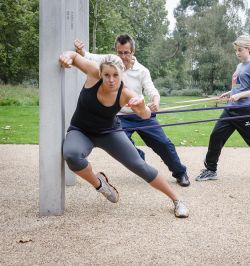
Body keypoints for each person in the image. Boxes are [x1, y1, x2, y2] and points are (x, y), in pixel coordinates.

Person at [59, 51, 189, 218]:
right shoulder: (93, 73)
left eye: (115, 75)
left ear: (121, 74)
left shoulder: (126, 93)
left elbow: (145, 115)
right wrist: (67, 56)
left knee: (139, 165)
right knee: (71, 155)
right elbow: (75, 57)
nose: (111, 80)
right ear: (101, 73)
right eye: (106, 75)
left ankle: (177, 200)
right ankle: (100, 184)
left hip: (109, 132)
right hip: (81, 130)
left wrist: (141, 106)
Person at [74, 34, 190, 187]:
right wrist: (81, 51)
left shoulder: (142, 71)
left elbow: (152, 90)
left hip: (141, 114)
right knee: (125, 146)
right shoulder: (110, 62)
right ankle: (142, 163)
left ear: (132, 51)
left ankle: (180, 173)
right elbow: (89, 57)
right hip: (120, 117)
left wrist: (155, 101)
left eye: (126, 53)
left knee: (163, 143)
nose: (123, 56)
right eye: (120, 52)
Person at [195, 35, 250, 186]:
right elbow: (239, 87)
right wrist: (230, 93)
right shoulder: (239, 66)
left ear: (248, 49)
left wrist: (239, 95)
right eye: (236, 50)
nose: (237, 53)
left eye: (240, 50)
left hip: (245, 111)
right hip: (231, 109)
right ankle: (211, 169)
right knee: (216, 136)